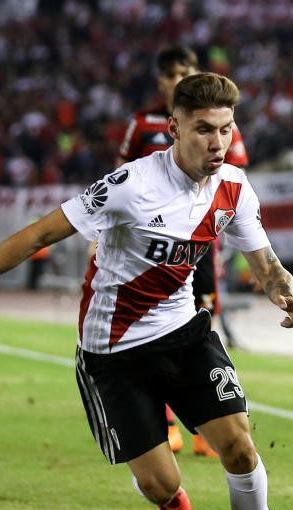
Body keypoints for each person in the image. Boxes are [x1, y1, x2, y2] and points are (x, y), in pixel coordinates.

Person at [0, 73, 293, 510]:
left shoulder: (235, 189)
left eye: (225, 128)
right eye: (202, 130)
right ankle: (158, 484)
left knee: (238, 446)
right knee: (161, 484)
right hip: (114, 353)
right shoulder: (131, 186)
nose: (216, 142)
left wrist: (283, 290)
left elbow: (265, 264)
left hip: (183, 333)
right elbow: (40, 233)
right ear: (174, 128)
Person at [119, 45, 252, 459]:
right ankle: (167, 424)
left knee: (202, 324)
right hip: (149, 248)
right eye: (172, 73)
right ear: (160, 80)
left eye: (187, 71)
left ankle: (206, 424)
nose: (179, 79)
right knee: (151, 331)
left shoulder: (217, 121)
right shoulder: (142, 124)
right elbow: (121, 175)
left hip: (199, 248)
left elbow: (235, 173)